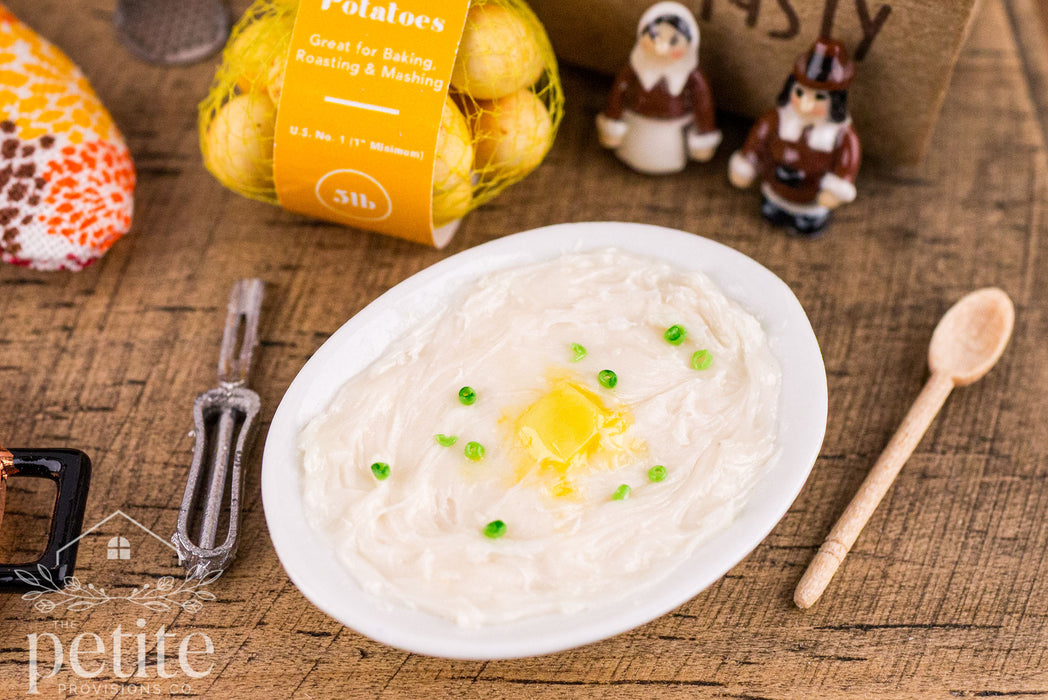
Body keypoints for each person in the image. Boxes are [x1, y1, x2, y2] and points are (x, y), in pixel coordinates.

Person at [729, 37, 861, 236]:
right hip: (775, 186)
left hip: (811, 196)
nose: (806, 104)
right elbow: (757, 143)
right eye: (800, 93)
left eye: (818, 98)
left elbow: (847, 164)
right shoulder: (776, 119)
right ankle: (775, 208)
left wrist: (834, 191)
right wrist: (747, 164)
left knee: (806, 223)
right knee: (771, 212)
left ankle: (807, 219)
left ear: (835, 103)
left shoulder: (841, 135)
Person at [596, 1, 721, 174]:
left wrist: (704, 133)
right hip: (637, 123)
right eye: (654, 36)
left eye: (673, 40)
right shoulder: (636, 67)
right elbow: (619, 92)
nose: (661, 47)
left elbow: (702, 103)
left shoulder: (692, 75)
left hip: (673, 131)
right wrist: (612, 120)